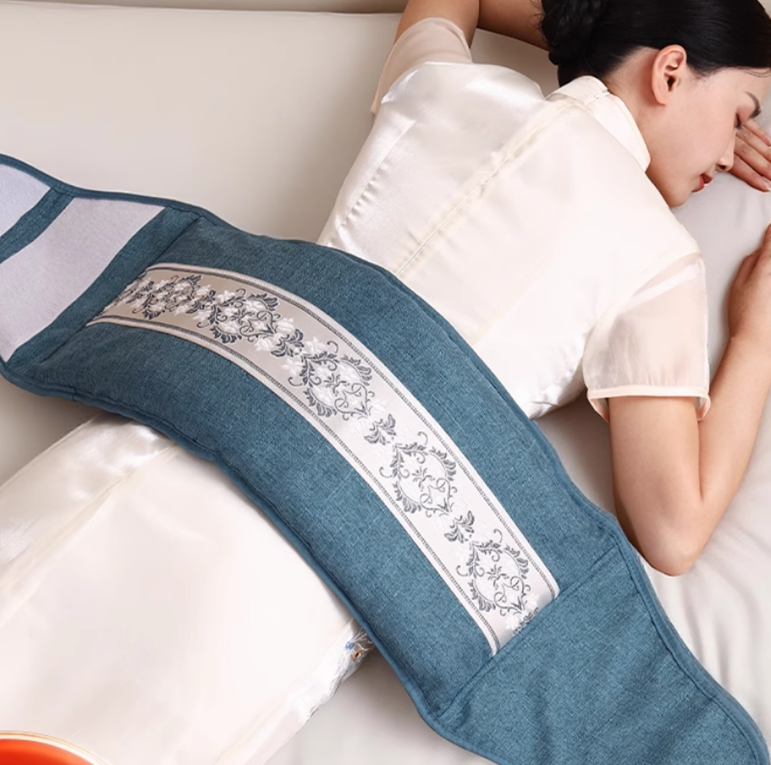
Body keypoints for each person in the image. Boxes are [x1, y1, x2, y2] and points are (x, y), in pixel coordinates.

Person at [319, 0, 771, 576]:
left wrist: (604, 43)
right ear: (670, 72)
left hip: (229, 388)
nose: (732, 153)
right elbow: (673, 534)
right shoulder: (657, 255)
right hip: (341, 512)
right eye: (739, 116)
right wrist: (757, 338)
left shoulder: (442, 87)